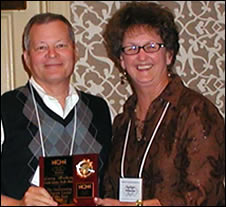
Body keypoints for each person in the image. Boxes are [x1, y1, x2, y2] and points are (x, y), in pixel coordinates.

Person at [94, 2, 225, 206]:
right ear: (121, 60)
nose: (142, 56)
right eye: (132, 48)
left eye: (152, 46)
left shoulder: (196, 113)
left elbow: (202, 195)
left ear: (169, 54)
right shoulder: (122, 123)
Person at [1, 13, 112, 206]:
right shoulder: (6, 108)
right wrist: (17, 205)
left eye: (61, 45)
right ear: (27, 58)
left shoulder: (99, 109)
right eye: (41, 47)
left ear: (74, 52)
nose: (52, 54)